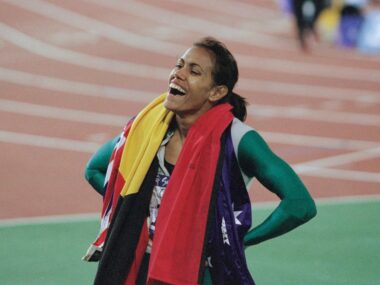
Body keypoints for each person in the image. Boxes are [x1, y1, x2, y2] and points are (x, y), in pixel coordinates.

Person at [83, 37, 317, 285]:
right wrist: (134, 212)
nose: (178, 74)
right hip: (142, 267)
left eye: (194, 71)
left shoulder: (236, 139)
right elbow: (94, 169)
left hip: (201, 273)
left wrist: (240, 240)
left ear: (217, 92)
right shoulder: (149, 130)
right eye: (179, 65)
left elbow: (300, 205)